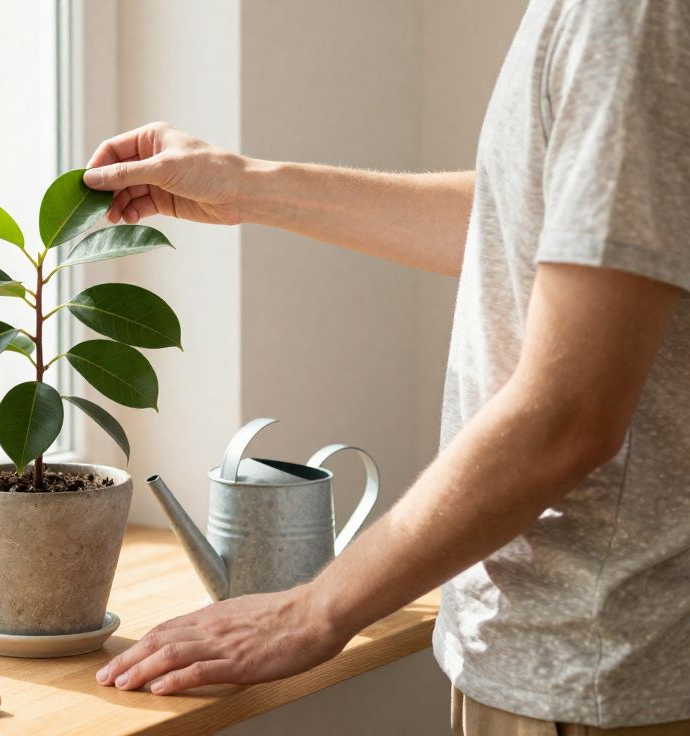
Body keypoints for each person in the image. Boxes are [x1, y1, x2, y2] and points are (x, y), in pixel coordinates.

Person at [84, 1, 690, 734]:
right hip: (575, 658)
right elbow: (532, 224)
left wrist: (311, 610)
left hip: (597, 670)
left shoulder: (632, 15)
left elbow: (570, 414)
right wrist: (244, 184)